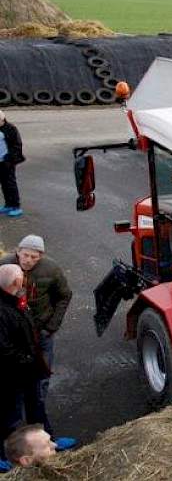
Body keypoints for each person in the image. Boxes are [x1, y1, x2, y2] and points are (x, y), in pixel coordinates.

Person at [0, 235, 74, 450]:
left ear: (41, 257)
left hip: (38, 337)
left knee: (37, 388)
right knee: (11, 397)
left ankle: (44, 440)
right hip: (17, 345)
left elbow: (64, 295)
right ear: (17, 252)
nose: (28, 261)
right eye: (25, 255)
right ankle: (10, 449)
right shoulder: (5, 270)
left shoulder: (50, 269)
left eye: (34, 257)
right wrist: (22, 356)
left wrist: (50, 327)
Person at [0, 264, 47, 470]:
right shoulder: (2, 311)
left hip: (29, 370)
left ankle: (47, 441)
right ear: (15, 283)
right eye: (22, 278)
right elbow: (4, 349)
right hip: (12, 375)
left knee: (36, 405)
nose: (25, 281)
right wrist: (27, 358)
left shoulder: (17, 299)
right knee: (11, 415)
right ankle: (9, 456)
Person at [0, 110, 24, 218]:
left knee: (10, 184)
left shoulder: (11, 128)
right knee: (4, 185)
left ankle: (16, 206)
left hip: (7, 161)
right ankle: (8, 204)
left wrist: (9, 159)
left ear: (2, 119)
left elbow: (17, 145)